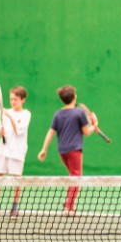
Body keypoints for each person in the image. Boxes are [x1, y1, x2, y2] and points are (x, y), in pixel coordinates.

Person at [36, 85, 96, 216]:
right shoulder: (79, 112)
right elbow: (86, 132)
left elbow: (50, 132)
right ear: (74, 97)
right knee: (76, 178)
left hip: (62, 151)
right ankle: (69, 207)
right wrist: (94, 125)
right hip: (74, 150)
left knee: (72, 177)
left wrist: (44, 149)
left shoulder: (58, 114)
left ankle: (68, 201)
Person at [0, 86, 31, 219]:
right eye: (11, 99)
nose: (13, 102)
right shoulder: (5, 113)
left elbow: (18, 130)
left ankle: (14, 207)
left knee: (16, 180)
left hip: (17, 152)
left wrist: (9, 115)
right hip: (2, 150)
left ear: (23, 100)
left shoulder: (26, 114)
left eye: (16, 99)